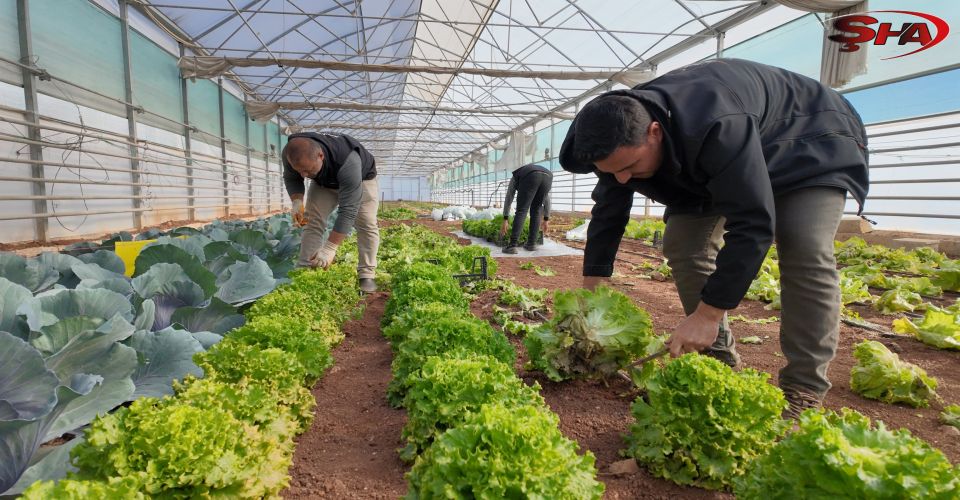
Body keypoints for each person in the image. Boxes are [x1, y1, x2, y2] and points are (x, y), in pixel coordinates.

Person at [558, 58, 869, 418]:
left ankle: (804, 387)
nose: (624, 179)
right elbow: (608, 212)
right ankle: (717, 358)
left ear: (655, 132)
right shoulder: (615, 135)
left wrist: (708, 313)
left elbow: (753, 224)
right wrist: (591, 290)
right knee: (683, 244)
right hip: (713, 159)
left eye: (630, 167)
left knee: (804, 247)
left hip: (810, 141)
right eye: (613, 172)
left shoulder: (716, 126)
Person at [282, 131, 380, 293]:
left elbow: (348, 210)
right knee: (311, 220)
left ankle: (366, 274)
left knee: (366, 224)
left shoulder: (348, 161)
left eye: (308, 170)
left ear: (320, 156)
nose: (304, 175)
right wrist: (297, 202)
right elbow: (292, 177)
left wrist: (330, 248)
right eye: (300, 171)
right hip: (324, 181)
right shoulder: (291, 153)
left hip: (360, 180)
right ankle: (306, 270)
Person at [499, 163, 553, 254]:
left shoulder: (515, 176)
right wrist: (546, 218)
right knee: (536, 210)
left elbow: (509, 197)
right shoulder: (523, 172)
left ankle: (512, 246)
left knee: (522, 210)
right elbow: (546, 198)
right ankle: (531, 244)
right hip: (548, 176)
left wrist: (505, 218)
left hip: (531, 176)